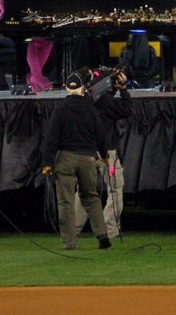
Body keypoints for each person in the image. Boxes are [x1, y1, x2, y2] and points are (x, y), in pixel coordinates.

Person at [41, 68, 112, 251]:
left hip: (65, 158)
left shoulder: (60, 109)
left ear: (66, 88)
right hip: (88, 158)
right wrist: (104, 155)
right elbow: (100, 136)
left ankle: (69, 242)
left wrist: (48, 162)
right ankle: (102, 236)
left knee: (66, 202)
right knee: (91, 198)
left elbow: (51, 137)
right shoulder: (90, 110)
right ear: (82, 88)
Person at [74, 67, 133, 239]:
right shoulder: (106, 102)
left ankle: (73, 229)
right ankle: (110, 229)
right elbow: (127, 109)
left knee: (83, 190)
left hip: (85, 151)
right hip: (106, 152)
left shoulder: (81, 100)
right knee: (114, 189)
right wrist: (123, 89)